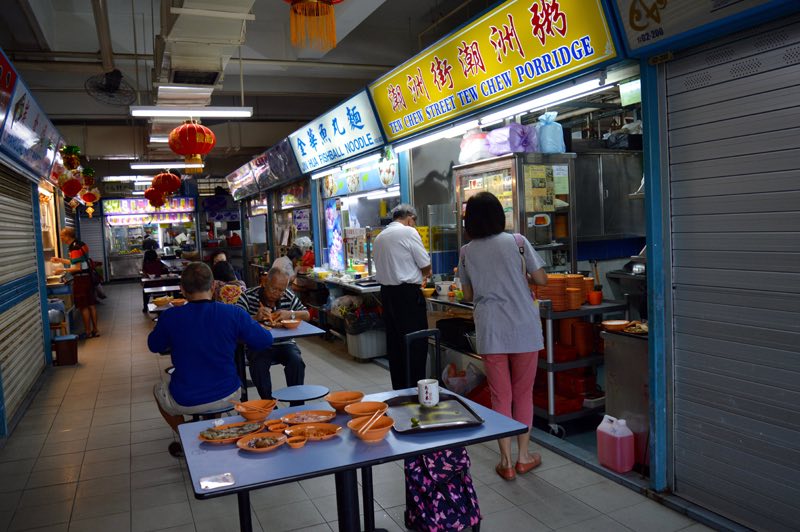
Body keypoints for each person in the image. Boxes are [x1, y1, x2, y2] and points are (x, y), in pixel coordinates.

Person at [458, 192, 548, 481]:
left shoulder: (467, 251)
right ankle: (524, 457)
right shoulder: (518, 242)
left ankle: (506, 461)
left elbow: (468, 294)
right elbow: (542, 279)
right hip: (523, 325)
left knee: (501, 395)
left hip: (491, 329)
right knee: (523, 393)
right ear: (499, 216)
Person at [148, 262, 273, 457]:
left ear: (182, 289)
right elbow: (265, 340)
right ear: (214, 286)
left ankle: (186, 437)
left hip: (185, 397)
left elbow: (154, 345)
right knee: (218, 385)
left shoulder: (170, 317)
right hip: (228, 394)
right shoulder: (233, 314)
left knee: (158, 390)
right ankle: (213, 430)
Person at [373, 204, 432, 389]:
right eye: (414, 221)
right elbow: (426, 266)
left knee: (396, 345)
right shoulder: (408, 232)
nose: (414, 226)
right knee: (415, 344)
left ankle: (399, 390)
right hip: (407, 296)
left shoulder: (380, 237)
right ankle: (416, 391)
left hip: (387, 295)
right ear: (409, 218)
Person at [236, 266, 309, 403]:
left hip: (284, 343)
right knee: (258, 365)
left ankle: (297, 403)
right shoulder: (248, 296)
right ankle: (268, 403)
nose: (277, 294)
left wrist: (290, 314)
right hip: (259, 344)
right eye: (274, 289)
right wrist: (255, 317)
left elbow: (306, 314)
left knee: (296, 361)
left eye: (281, 290)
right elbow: (235, 321)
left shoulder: (287, 296)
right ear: (264, 283)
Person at [51, 227, 99, 338]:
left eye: (62, 236)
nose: (61, 238)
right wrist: (60, 260)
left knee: (84, 306)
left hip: (81, 280)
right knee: (91, 305)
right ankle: (95, 330)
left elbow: (77, 268)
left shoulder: (74, 248)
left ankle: (87, 332)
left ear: (68, 236)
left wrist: (62, 270)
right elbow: (76, 262)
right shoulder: (81, 244)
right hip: (88, 278)